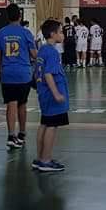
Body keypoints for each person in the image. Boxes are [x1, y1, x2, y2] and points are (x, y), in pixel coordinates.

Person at [0, 3, 38, 150]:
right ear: (20, 16)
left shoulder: (0, 33)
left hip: (8, 73)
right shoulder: (26, 33)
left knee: (11, 104)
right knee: (22, 104)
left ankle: (10, 135)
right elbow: (34, 54)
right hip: (24, 74)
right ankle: (22, 134)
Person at [33, 19, 70, 172]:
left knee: (45, 124)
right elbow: (48, 74)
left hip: (44, 94)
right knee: (52, 126)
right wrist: (56, 94)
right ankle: (46, 160)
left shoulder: (42, 50)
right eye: (61, 32)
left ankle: (41, 157)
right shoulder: (52, 52)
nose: (63, 35)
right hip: (52, 96)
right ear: (53, 34)